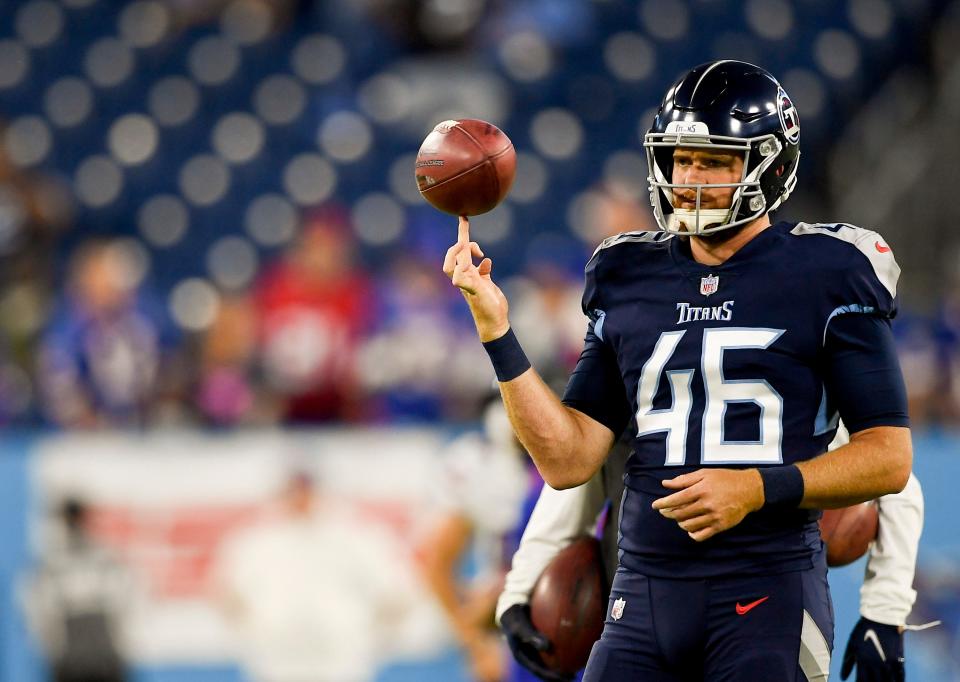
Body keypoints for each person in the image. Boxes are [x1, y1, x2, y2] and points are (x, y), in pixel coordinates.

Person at [442, 60, 913, 680]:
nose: (690, 178)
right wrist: (497, 332)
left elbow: (889, 457)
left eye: (715, 161)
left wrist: (755, 487)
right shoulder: (626, 272)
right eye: (681, 158)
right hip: (640, 593)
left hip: (766, 591)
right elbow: (568, 462)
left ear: (770, 166)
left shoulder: (830, 270)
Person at [496, 424, 925, 681]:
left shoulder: (797, 324)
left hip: (760, 610)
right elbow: (579, 461)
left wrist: (884, 613)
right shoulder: (637, 315)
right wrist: (520, 589)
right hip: (643, 609)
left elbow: (889, 468)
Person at [22, 498, 132, 682]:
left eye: (77, 519)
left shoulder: (106, 561)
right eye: (69, 520)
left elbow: (126, 603)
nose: (74, 526)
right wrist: (52, 646)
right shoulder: (51, 565)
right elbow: (38, 609)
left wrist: (121, 644)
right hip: (69, 656)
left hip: (104, 653)